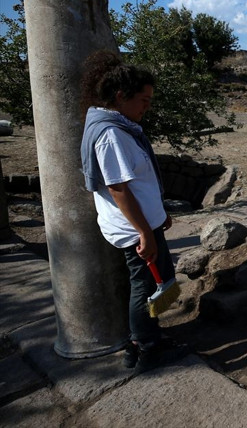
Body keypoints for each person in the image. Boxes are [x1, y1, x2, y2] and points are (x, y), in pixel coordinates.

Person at [80, 50, 185, 373]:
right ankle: (147, 347)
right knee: (146, 288)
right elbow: (119, 189)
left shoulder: (117, 127)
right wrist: (144, 232)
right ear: (122, 96)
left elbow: (137, 182)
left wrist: (159, 213)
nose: (147, 107)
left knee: (158, 282)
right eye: (144, 100)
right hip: (133, 229)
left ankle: (150, 335)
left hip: (145, 223)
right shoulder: (111, 135)